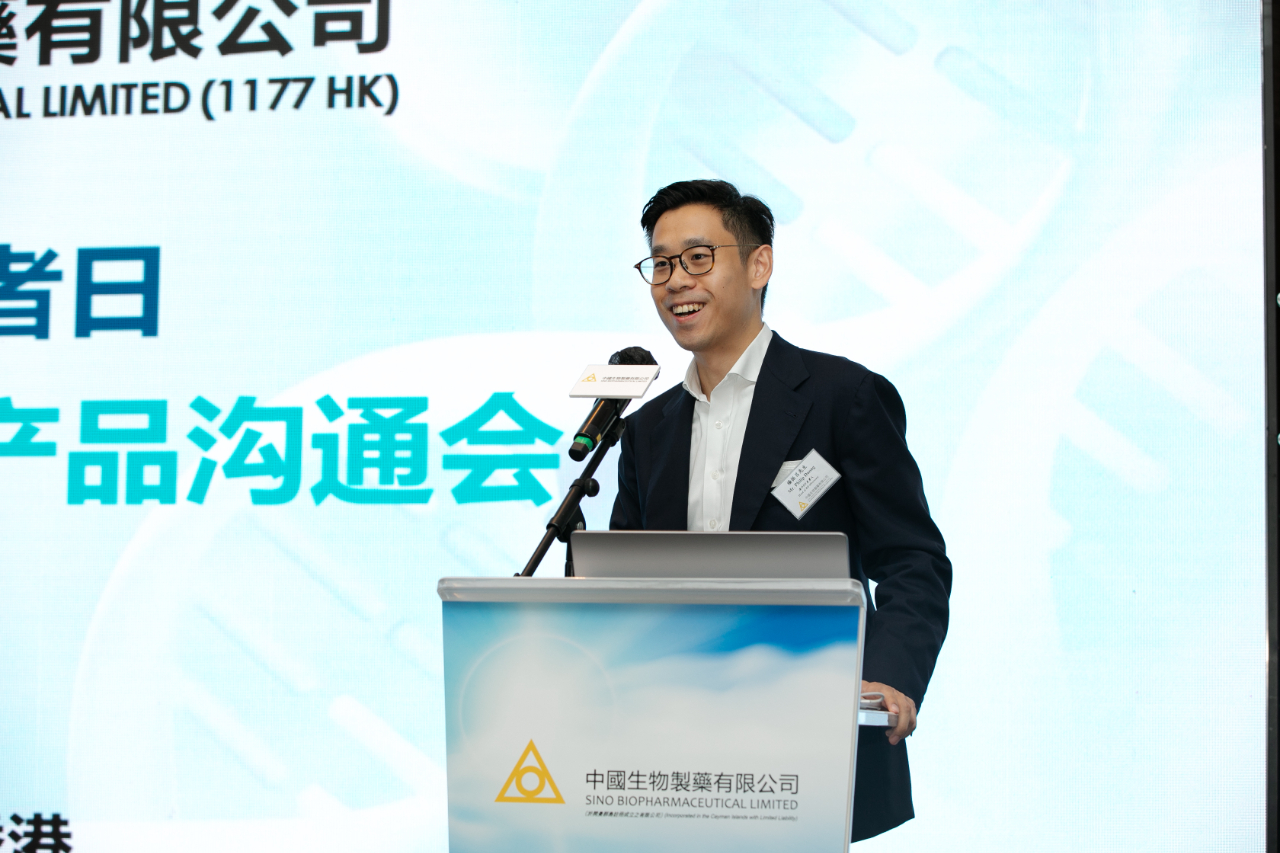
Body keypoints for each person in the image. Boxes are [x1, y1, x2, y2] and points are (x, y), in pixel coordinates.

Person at [609, 179, 952, 842]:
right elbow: (622, 583)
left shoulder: (843, 397)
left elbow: (912, 558)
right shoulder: (648, 430)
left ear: (759, 264)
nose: (676, 281)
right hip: (674, 749)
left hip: (808, 736)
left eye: (698, 258)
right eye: (661, 263)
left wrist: (888, 676)